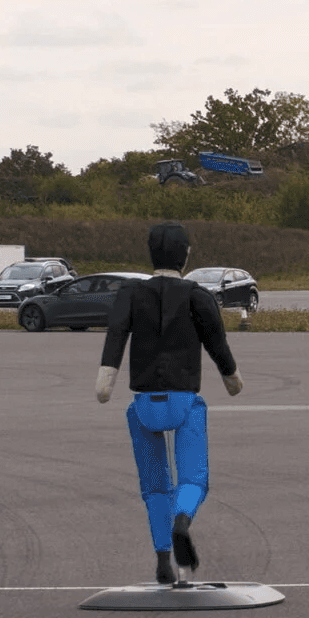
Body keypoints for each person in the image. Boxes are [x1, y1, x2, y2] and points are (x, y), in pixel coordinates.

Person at [96, 223, 244, 585]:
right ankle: (182, 519)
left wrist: (106, 379)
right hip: (184, 399)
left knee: (154, 485)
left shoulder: (130, 293)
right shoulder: (197, 296)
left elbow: (116, 335)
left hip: (143, 402)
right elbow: (216, 342)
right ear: (186, 254)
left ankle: (163, 560)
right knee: (193, 478)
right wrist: (232, 378)